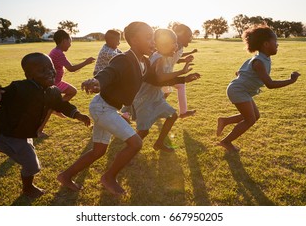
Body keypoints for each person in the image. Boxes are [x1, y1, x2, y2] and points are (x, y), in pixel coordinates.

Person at [57, 21, 200, 195]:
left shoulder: (144, 63)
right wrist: (97, 81)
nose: (153, 41)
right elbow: (109, 73)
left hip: (107, 108)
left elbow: (156, 81)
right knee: (135, 143)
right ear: (133, 39)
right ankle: (109, 177)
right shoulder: (123, 59)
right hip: (103, 107)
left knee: (98, 151)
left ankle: (66, 176)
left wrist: (184, 79)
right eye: (148, 38)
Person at [0, 53, 90, 198]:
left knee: (19, 151)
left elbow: (61, 105)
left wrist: (78, 115)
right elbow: (0, 95)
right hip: (5, 132)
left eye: (51, 68)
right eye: (42, 70)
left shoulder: (53, 91)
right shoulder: (19, 88)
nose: (49, 72)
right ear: (29, 75)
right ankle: (28, 189)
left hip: (21, 133)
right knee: (31, 164)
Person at [216, 24, 300, 152]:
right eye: (275, 42)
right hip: (238, 91)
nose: (277, 45)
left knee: (255, 116)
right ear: (266, 44)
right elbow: (270, 84)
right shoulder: (258, 62)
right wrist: (291, 80)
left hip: (241, 90)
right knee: (250, 120)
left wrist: (243, 77)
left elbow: (239, 72)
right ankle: (226, 142)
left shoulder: (261, 59)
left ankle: (225, 121)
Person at [134, 28, 200, 152]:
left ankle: (159, 143)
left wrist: (184, 78)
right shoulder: (159, 57)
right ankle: (128, 151)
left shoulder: (160, 56)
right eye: (173, 43)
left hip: (156, 96)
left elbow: (160, 80)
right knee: (143, 131)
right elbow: (159, 78)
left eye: (176, 42)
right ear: (163, 45)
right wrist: (182, 73)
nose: (176, 46)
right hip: (145, 99)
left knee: (172, 115)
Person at [37, 30, 95, 137]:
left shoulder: (56, 51)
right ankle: (39, 130)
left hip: (56, 82)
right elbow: (71, 68)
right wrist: (86, 62)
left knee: (72, 91)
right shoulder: (58, 53)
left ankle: (57, 107)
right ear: (63, 41)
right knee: (50, 108)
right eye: (69, 42)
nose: (70, 44)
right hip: (52, 84)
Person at [164, 24, 198, 118]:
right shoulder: (176, 45)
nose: (190, 38)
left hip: (167, 73)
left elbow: (175, 58)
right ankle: (183, 112)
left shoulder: (179, 46)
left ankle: (182, 112)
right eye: (189, 36)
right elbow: (171, 56)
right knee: (177, 86)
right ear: (181, 36)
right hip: (163, 74)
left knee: (166, 92)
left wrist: (185, 59)